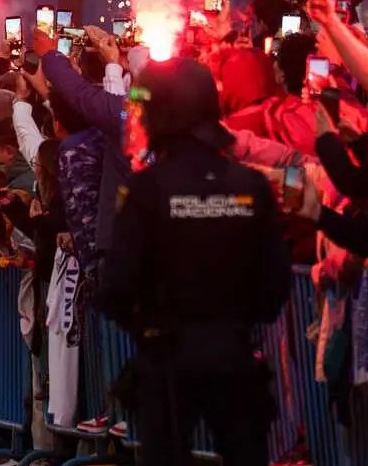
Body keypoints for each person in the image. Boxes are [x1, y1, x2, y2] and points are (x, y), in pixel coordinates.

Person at [97, 58, 290, 465]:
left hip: (166, 360)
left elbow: (115, 286)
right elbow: (274, 287)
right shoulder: (251, 185)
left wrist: (148, 327)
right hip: (235, 354)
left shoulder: (146, 190)